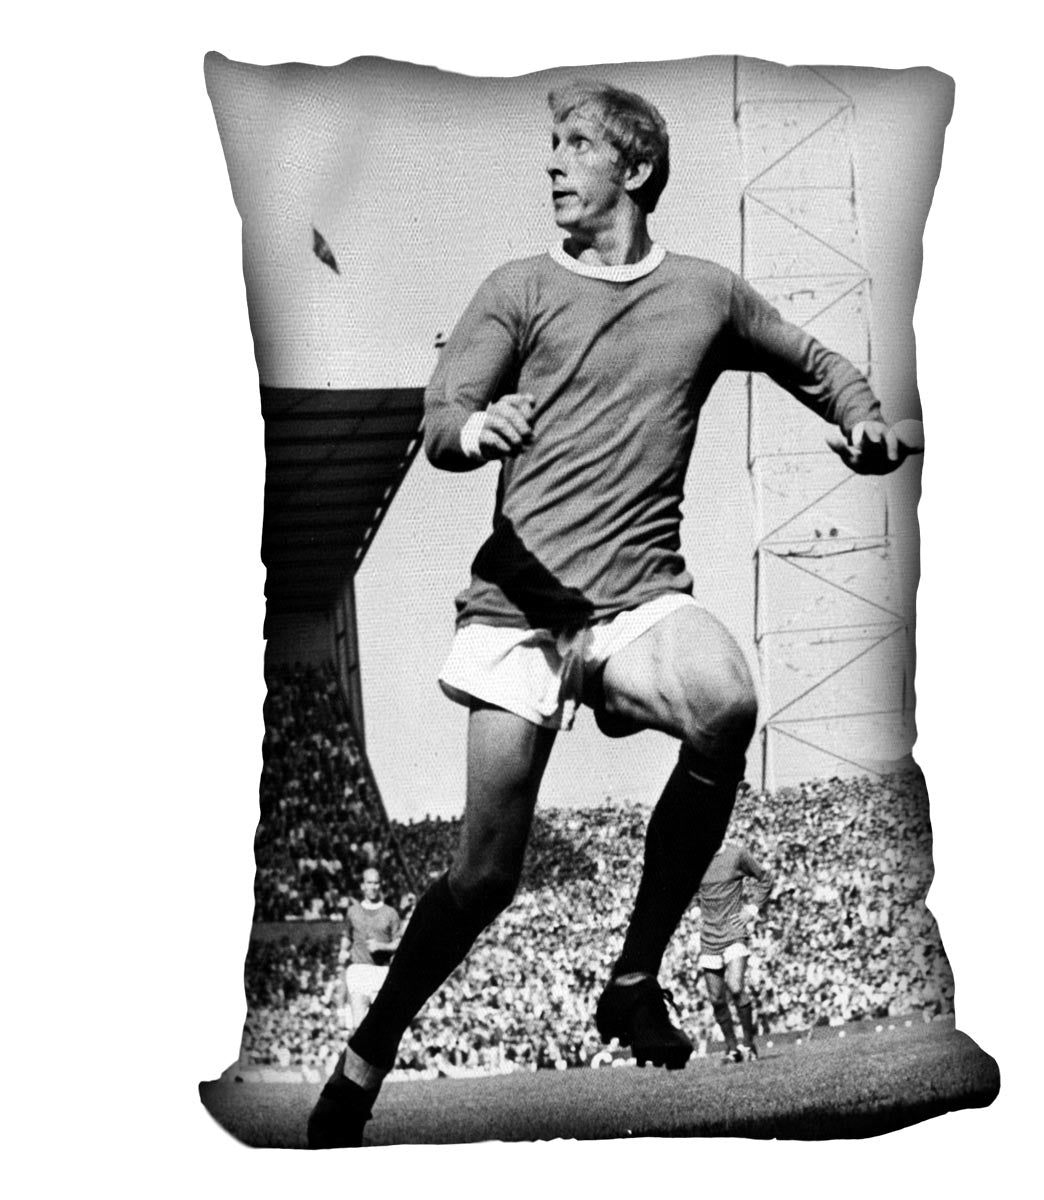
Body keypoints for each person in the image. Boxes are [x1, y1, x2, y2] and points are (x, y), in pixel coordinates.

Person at [308, 79, 920, 1148]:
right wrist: (475, 431)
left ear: (634, 169)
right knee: (484, 878)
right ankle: (370, 1050)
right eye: (552, 143)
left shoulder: (705, 295)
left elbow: (813, 360)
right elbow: (444, 414)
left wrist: (863, 419)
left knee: (726, 702)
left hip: (636, 600)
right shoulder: (517, 287)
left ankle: (632, 979)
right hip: (518, 609)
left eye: (576, 144)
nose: (553, 162)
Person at [696, 839, 772, 1062]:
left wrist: (752, 909)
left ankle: (749, 1044)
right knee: (716, 998)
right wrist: (694, 910)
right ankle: (732, 1049)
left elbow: (765, 878)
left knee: (736, 986)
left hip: (734, 931)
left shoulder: (737, 854)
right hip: (709, 936)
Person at [338, 868, 405, 1030]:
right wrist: (342, 950)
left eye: (376, 883)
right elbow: (347, 935)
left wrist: (381, 946)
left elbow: (399, 943)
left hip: (380, 971)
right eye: (369, 883)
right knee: (359, 1027)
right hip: (359, 969)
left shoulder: (390, 913)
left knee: (382, 1026)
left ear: (380, 885)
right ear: (363, 886)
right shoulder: (353, 912)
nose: (373, 887)